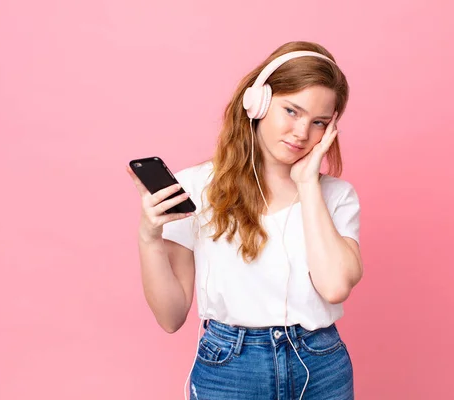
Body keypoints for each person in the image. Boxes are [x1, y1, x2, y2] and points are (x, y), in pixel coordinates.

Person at [127, 40, 363, 400]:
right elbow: (171, 316)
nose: (302, 132)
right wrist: (149, 237)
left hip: (320, 364)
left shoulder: (336, 196)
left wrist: (307, 185)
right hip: (230, 367)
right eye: (292, 111)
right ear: (258, 103)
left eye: (318, 122)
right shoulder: (197, 187)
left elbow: (334, 287)